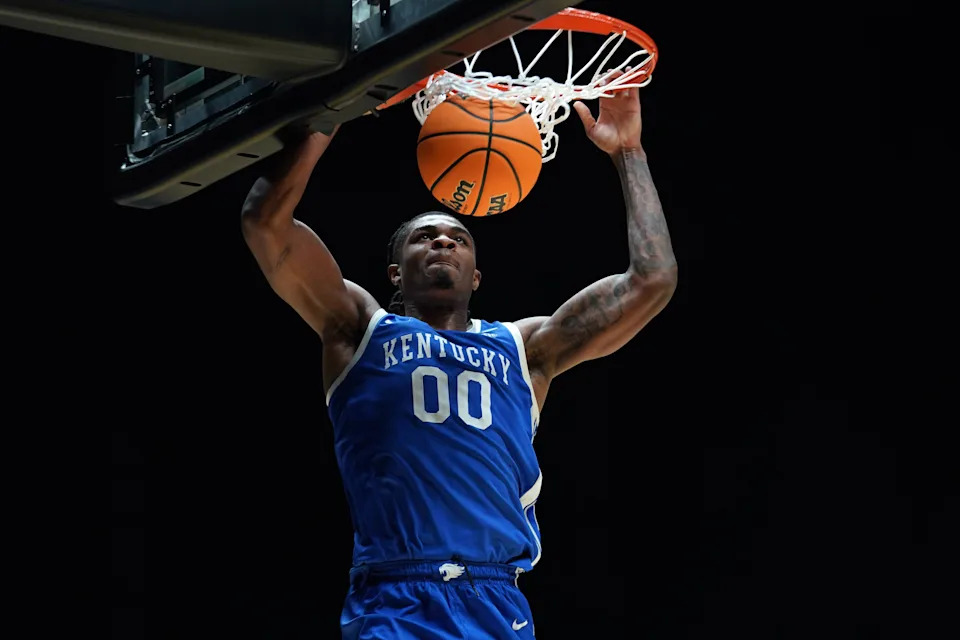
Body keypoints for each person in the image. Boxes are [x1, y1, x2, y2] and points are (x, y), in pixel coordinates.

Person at [240, 74, 677, 639]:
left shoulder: (526, 350)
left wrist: (629, 152)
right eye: (424, 237)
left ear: (477, 273)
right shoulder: (358, 331)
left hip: (497, 600)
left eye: (457, 237)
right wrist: (334, 108)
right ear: (396, 271)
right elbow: (265, 222)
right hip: (396, 598)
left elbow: (653, 279)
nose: (442, 241)